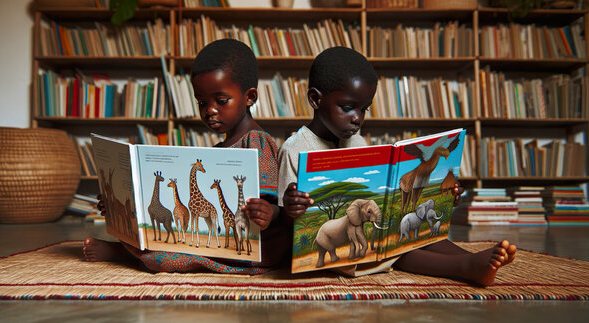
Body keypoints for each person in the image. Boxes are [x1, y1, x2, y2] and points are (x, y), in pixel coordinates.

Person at [278, 46, 516, 286]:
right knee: (396, 249)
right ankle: (465, 267)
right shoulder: (294, 150)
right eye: (348, 107)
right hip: (338, 243)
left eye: (364, 109)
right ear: (315, 99)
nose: (358, 118)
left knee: (416, 229)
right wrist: (290, 210)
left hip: (366, 226)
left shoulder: (357, 142)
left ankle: (473, 258)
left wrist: (446, 195)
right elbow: (282, 228)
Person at [84, 39, 290, 274]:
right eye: (202, 102)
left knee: (170, 259)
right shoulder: (218, 149)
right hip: (216, 241)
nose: (209, 110)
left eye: (221, 101)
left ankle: (125, 254)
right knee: (161, 235)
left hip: (253, 246)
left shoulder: (258, 142)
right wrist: (114, 204)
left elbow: (277, 205)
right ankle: (131, 248)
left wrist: (270, 214)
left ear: (250, 97)